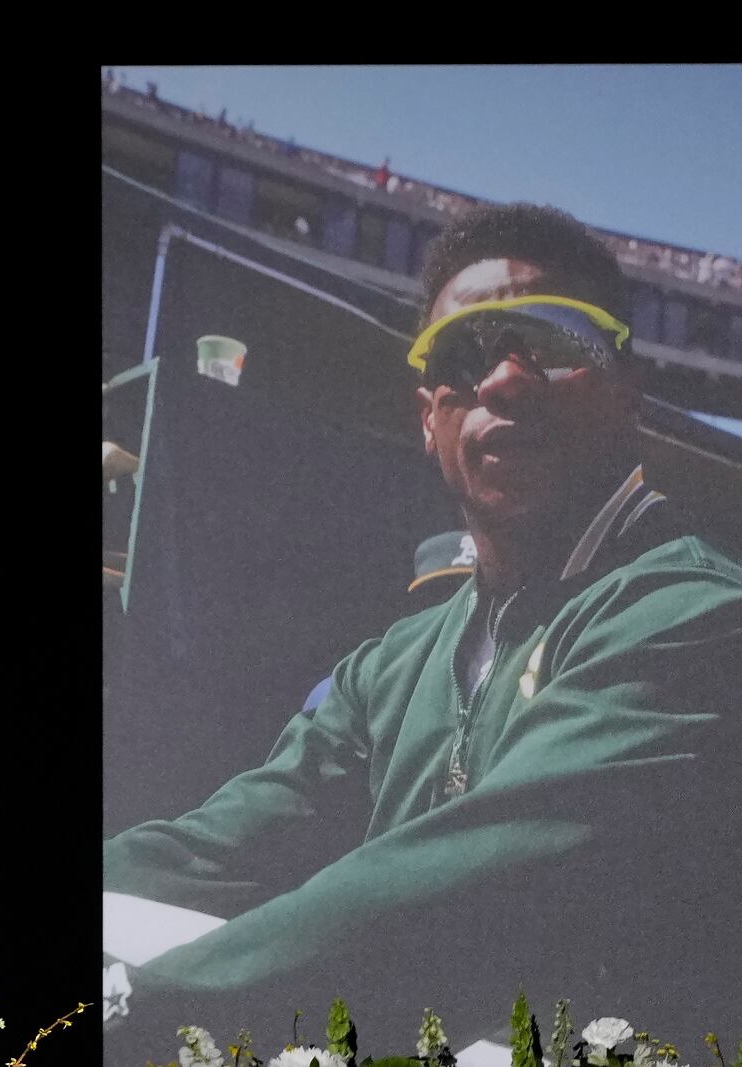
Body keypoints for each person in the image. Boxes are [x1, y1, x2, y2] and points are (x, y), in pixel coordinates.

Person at [103, 203, 740, 1048]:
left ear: (628, 391)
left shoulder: (695, 615)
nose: (506, 379)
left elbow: (461, 909)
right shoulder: (392, 661)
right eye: (462, 355)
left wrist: (123, 1011)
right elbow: (214, 850)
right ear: (429, 416)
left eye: (552, 338)